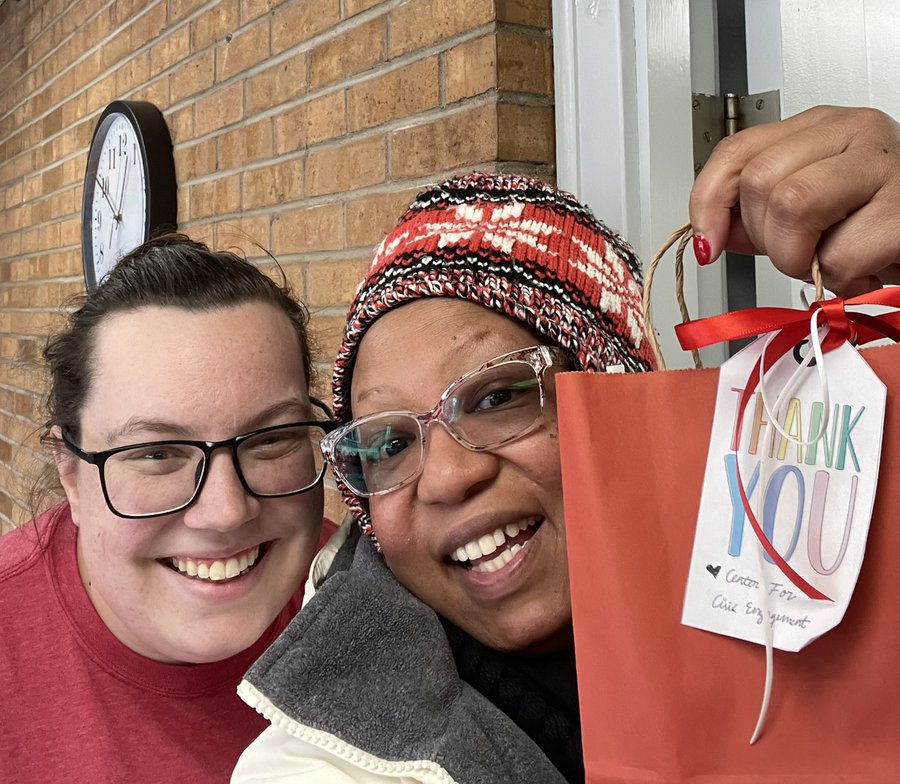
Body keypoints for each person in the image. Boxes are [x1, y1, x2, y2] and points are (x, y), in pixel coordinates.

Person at [232, 104, 900, 784]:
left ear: (619, 394)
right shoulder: (315, 766)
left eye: (497, 398)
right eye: (387, 445)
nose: (446, 478)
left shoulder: (819, 558)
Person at [0, 234, 337, 783]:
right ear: (71, 474)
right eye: (155, 453)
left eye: (271, 439)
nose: (227, 511)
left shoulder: (373, 606)